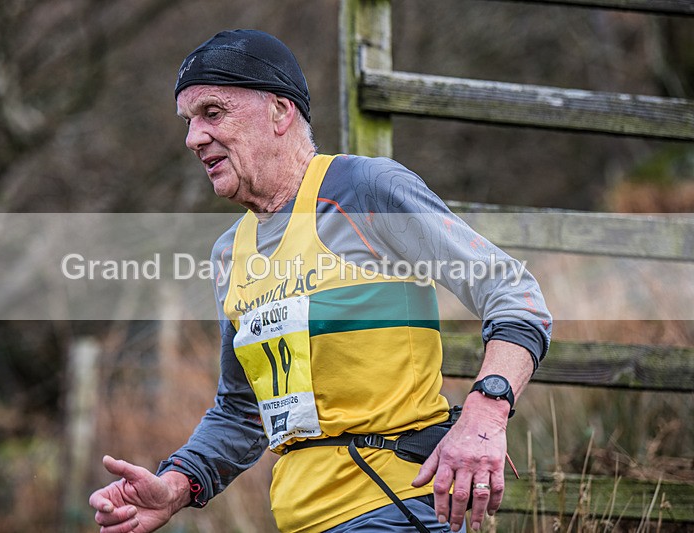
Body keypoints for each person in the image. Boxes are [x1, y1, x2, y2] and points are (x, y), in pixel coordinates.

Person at [89, 29, 552, 533]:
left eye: (213, 113)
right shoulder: (229, 251)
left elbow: (513, 294)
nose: (193, 137)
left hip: (395, 507)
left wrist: (485, 416)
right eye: (188, 121)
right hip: (302, 520)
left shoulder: (362, 191)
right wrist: (176, 485)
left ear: (280, 112)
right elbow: (244, 410)